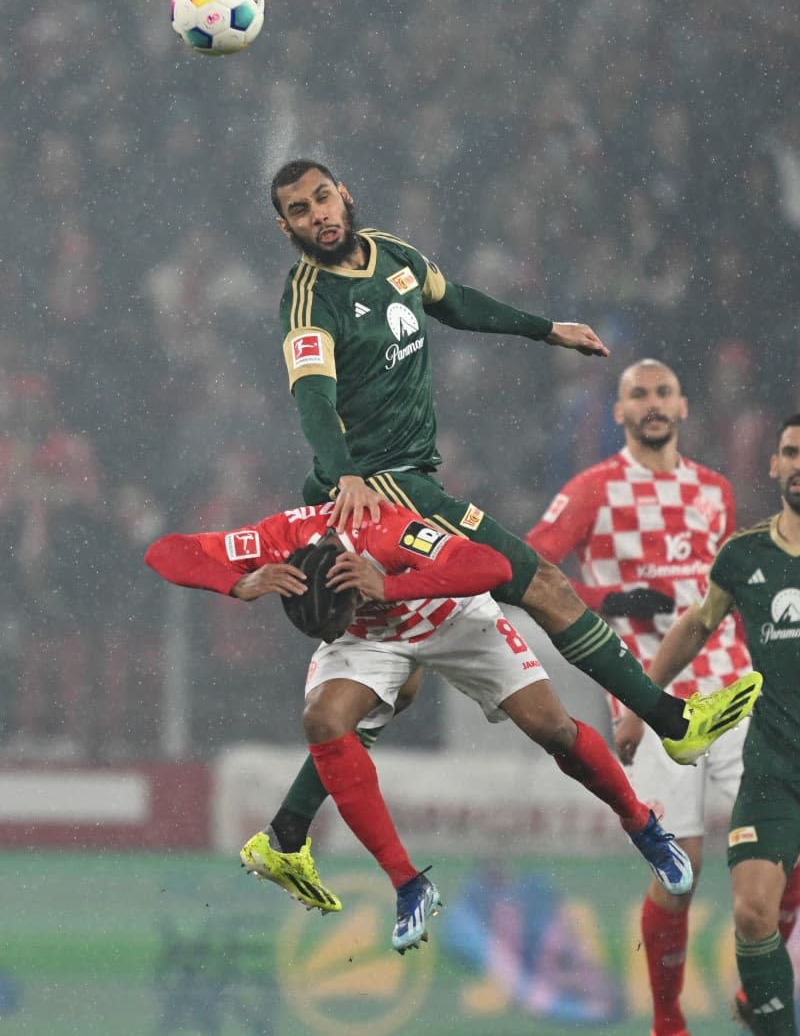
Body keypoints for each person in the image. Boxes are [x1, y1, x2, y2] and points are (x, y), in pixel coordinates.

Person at [270, 158, 760, 771]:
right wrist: (345, 473)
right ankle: (672, 720)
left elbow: (457, 303)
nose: (318, 215)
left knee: (398, 678)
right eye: (300, 210)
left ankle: (287, 834)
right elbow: (313, 399)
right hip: (378, 486)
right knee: (544, 584)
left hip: (407, 480)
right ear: (286, 227)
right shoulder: (310, 299)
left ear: (344, 194)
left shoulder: (391, 253)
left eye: (322, 198)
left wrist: (547, 329)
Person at [145, 499, 695, 954]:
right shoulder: (279, 538)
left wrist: (387, 589)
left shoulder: (388, 532)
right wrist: (237, 584)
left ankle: (642, 824)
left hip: (452, 616)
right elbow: (166, 551)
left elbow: (492, 568)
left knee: (553, 730)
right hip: (372, 640)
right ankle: (408, 884)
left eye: (341, 612)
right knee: (323, 719)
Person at [526, 359, 800, 1036]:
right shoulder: (593, 489)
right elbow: (527, 566)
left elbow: (728, 602)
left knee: (785, 846)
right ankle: (668, 1020)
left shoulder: (715, 491)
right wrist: (608, 599)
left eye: (663, 393)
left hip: (739, 691)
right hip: (652, 700)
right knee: (681, 871)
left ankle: (757, 982)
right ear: (618, 412)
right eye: (637, 394)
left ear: (683, 407)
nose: (652, 404)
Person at [636, 414, 800, 1036]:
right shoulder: (744, 556)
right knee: (754, 914)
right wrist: (641, 697)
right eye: (789, 452)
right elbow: (698, 625)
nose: (798, 464)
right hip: (774, 765)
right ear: (773, 465)